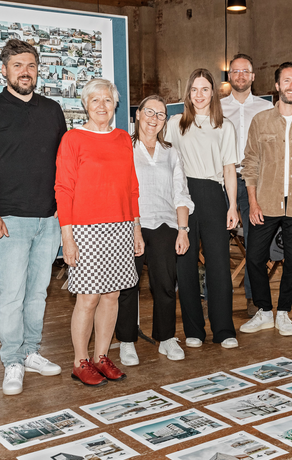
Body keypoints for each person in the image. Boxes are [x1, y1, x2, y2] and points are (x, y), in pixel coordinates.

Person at [0, 38, 64, 395]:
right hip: (9, 219)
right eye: (18, 66)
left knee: (37, 293)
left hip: (49, 218)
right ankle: (11, 359)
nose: (25, 72)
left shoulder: (53, 109)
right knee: (11, 294)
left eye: (31, 66)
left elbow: (62, 165)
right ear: (4, 70)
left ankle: (30, 352)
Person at [56, 79, 142, 386]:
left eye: (107, 100)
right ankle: (80, 361)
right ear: (85, 105)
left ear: (115, 104)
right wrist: (67, 237)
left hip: (121, 227)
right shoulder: (73, 139)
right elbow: (64, 189)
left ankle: (102, 357)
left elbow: (131, 187)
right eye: (96, 101)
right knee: (88, 298)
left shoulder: (122, 139)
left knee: (112, 295)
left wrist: (136, 229)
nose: (102, 106)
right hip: (85, 230)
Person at [239, 62, 292, 336]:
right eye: (286, 81)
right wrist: (252, 202)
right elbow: (250, 162)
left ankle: (284, 312)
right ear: (276, 86)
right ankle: (264, 311)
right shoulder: (261, 121)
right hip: (265, 202)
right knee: (254, 258)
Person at [113, 96, 193, 366]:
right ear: (138, 115)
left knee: (165, 285)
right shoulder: (124, 147)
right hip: (129, 224)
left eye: (160, 115)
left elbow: (181, 194)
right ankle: (126, 341)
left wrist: (183, 230)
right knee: (128, 286)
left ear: (165, 121)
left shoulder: (171, 152)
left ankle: (166, 337)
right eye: (149, 112)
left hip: (164, 225)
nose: (154, 119)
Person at [167, 69, 240, 349]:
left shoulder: (225, 126)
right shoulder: (175, 124)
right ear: (188, 93)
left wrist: (232, 205)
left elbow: (229, 170)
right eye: (194, 89)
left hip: (212, 194)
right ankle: (194, 331)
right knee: (185, 265)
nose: (199, 95)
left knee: (219, 264)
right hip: (183, 195)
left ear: (213, 93)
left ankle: (224, 330)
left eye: (205, 89)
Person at [220, 54, 274, 316]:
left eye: (245, 72)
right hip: (222, 181)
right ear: (229, 76)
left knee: (256, 243)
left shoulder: (266, 108)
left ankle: (255, 299)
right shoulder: (216, 108)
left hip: (256, 183)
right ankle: (214, 295)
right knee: (215, 241)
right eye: (235, 71)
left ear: (253, 76)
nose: (240, 76)